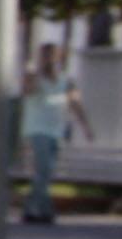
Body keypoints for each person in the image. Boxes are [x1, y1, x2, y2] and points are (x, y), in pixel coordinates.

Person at [19, 42, 78, 223]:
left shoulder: (65, 79)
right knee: (43, 168)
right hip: (37, 129)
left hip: (56, 130)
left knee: (47, 172)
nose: (49, 59)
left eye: (53, 55)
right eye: (46, 55)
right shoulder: (33, 76)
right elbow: (27, 92)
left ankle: (35, 209)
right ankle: (42, 210)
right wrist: (37, 72)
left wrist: (86, 126)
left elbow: (75, 101)